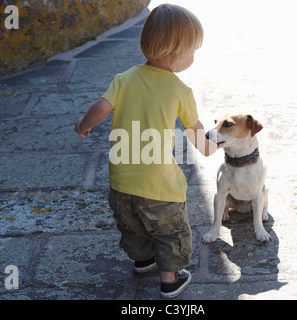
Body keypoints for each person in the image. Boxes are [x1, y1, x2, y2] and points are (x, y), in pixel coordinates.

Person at [75, 4, 216, 298]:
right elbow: (195, 130)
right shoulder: (181, 91)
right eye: (192, 52)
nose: (193, 58)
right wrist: (210, 148)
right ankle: (170, 280)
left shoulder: (123, 79)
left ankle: (142, 261)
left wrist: (82, 125)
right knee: (169, 232)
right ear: (176, 53)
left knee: (133, 227)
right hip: (160, 186)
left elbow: (101, 107)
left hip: (122, 182)